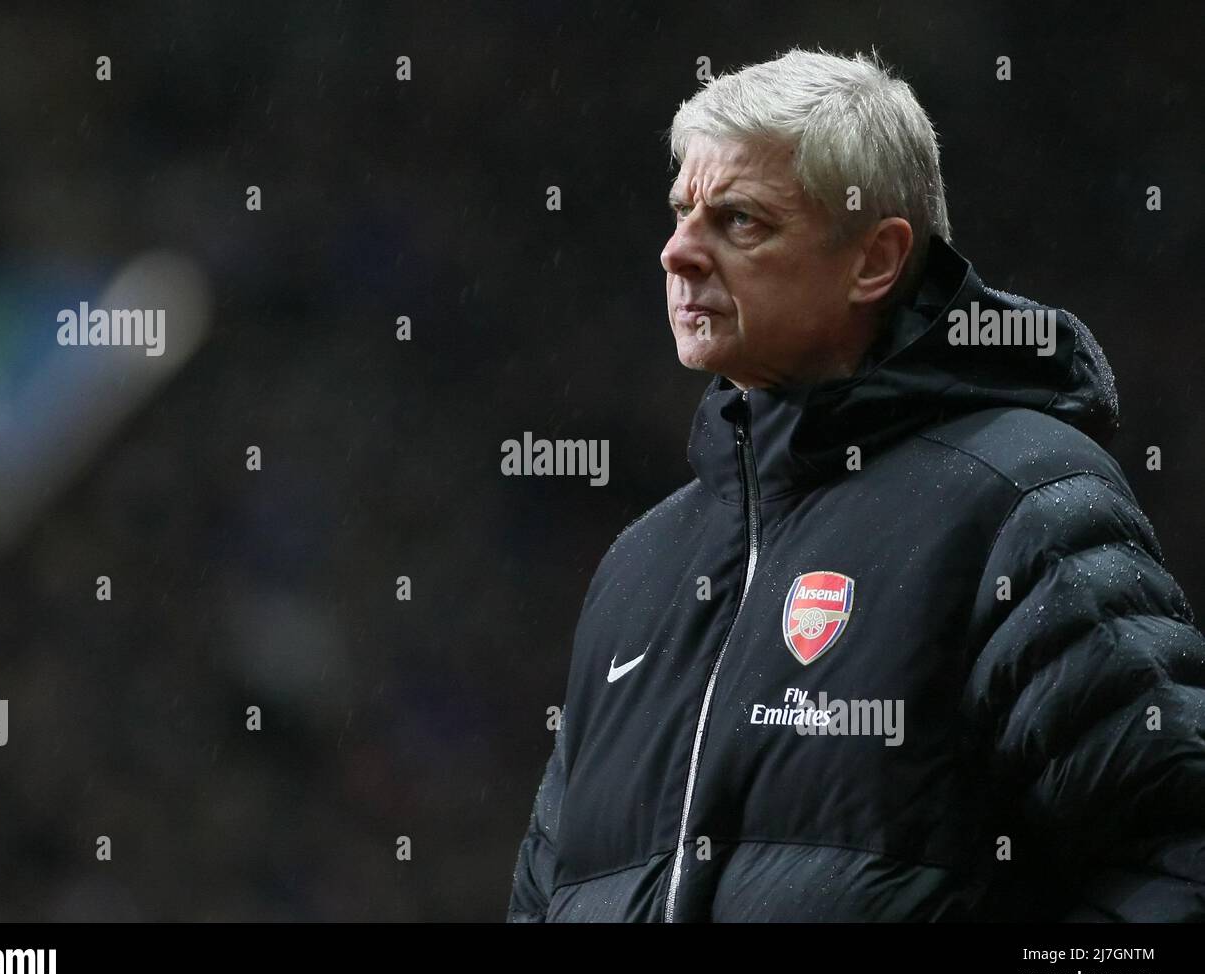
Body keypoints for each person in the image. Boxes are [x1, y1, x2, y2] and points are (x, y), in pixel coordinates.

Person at [506, 47, 1205, 922]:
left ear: (874, 259)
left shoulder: (1023, 501)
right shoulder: (637, 568)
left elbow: (1177, 862)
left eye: (739, 221)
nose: (677, 252)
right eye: (682, 211)